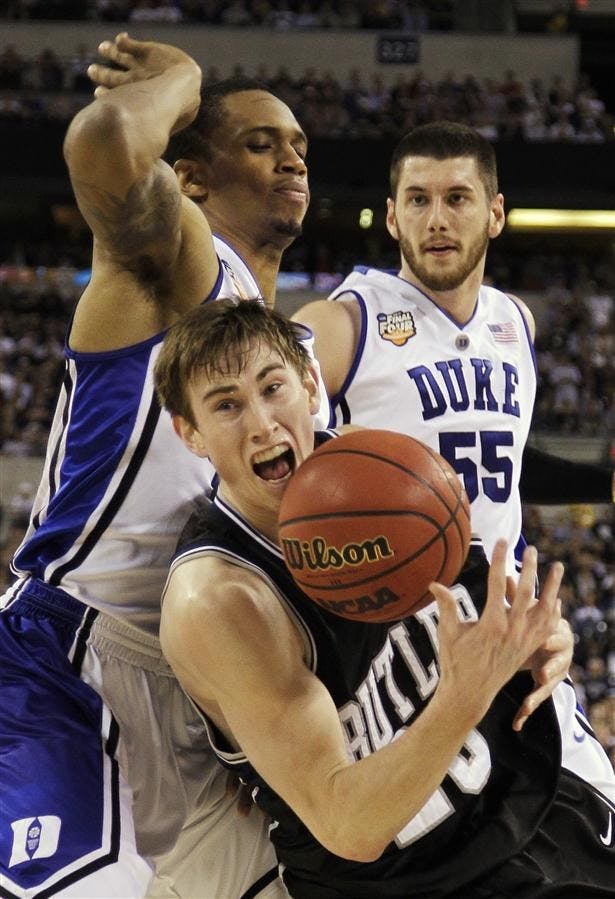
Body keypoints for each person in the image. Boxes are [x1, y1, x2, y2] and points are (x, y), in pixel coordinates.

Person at [154, 299, 615, 899]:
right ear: (190, 433)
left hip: (523, 797)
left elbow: (489, 605)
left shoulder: (371, 462)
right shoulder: (220, 602)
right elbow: (347, 824)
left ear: (311, 384)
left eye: (273, 388)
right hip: (410, 879)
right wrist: (465, 693)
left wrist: (541, 638)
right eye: (227, 405)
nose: (263, 424)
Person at [0, 32, 312, 898]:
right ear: (195, 179)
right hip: (71, 657)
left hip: (199, 686)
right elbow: (103, 147)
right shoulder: (178, 268)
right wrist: (184, 77)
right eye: (260, 141)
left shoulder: (289, 361)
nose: (291, 156)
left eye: (298, 146)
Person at [292, 120, 615, 794]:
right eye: (417, 199)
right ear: (390, 216)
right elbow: (271, 475)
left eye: (457, 198)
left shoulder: (514, 322)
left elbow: (501, 460)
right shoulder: (343, 323)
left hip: (506, 631)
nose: (435, 218)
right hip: (394, 642)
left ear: (494, 213)